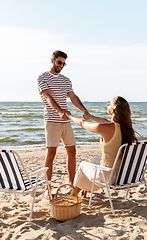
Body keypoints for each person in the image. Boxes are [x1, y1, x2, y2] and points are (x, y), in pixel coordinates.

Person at [37, 50, 88, 191]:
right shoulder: (43, 77)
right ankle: (48, 190)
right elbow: (47, 97)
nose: (61, 65)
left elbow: (72, 97)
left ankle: (72, 185)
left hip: (66, 121)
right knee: (51, 154)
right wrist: (59, 111)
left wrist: (84, 110)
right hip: (52, 121)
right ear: (52, 60)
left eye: (64, 63)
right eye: (59, 62)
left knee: (72, 151)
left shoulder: (66, 80)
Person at [67, 96, 137, 197]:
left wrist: (69, 116)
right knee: (95, 160)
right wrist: (90, 116)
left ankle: (72, 196)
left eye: (109, 103)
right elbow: (105, 121)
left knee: (82, 165)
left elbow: (82, 123)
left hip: (108, 177)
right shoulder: (125, 128)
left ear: (112, 110)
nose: (107, 104)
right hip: (123, 175)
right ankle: (85, 190)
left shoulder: (105, 128)